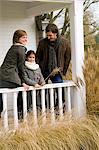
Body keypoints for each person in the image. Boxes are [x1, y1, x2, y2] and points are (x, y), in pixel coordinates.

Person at [36, 23, 71, 109]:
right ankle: (45, 108)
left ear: (56, 33)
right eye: (47, 35)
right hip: (44, 71)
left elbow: (68, 58)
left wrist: (63, 71)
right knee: (43, 91)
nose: (48, 37)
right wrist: (40, 68)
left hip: (57, 71)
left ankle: (59, 108)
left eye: (50, 35)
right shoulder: (42, 43)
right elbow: (37, 57)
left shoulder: (65, 42)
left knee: (60, 90)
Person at [0, 29, 29, 118]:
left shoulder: (16, 48)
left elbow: (21, 67)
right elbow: (21, 67)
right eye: (23, 37)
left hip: (9, 77)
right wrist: (23, 81)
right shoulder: (19, 49)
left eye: (26, 37)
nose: (26, 39)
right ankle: (20, 113)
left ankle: (19, 113)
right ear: (17, 38)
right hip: (8, 77)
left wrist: (23, 82)